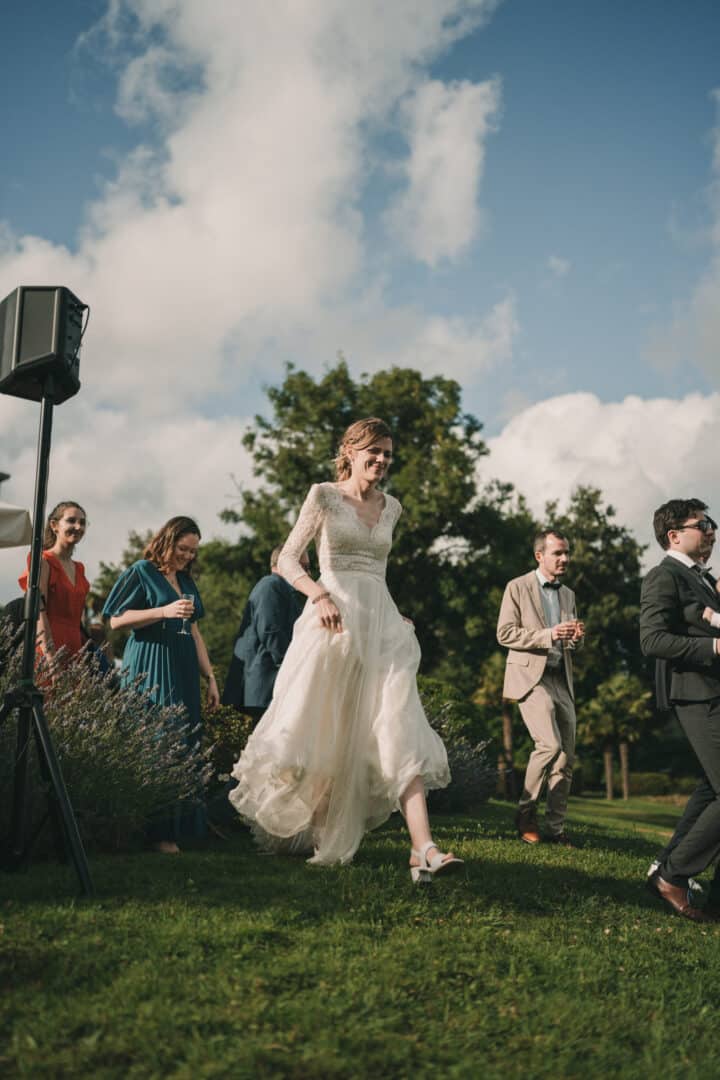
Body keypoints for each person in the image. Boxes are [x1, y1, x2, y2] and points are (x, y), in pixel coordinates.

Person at [228, 417, 461, 882]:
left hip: (383, 628)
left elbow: (378, 574)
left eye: (388, 454)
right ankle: (323, 832)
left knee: (398, 726)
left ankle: (425, 847)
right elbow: (290, 558)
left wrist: (394, 615)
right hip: (331, 624)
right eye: (372, 451)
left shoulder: (391, 506)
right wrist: (318, 595)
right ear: (349, 453)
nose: (381, 461)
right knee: (326, 732)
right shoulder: (324, 496)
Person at [103, 516, 219, 853]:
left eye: (193, 551)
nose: (188, 556)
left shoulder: (185, 580)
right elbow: (115, 619)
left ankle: (180, 828)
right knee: (159, 736)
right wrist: (163, 611)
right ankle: (156, 833)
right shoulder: (142, 571)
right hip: (151, 662)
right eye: (183, 548)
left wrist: (209, 677)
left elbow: (195, 631)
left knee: (184, 739)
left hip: (182, 664)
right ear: (166, 540)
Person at [640, 498, 720, 923]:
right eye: (703, 523)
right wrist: (713, 646)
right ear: (674, 535)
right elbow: (652, 641)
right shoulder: (663, 576)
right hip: (697, 695)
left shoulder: (699, 578)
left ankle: (673, 870)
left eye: (713, 523)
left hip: (714, 691)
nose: (711, 530)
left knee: (712, 788)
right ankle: (672, 876)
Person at [497, 529, 584, 845]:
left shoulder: (569, 594)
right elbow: (505, 633)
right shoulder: (517, 587)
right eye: (558, 553)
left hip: (562, 678)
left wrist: (574, 637)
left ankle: (556, 829)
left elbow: (569, 640)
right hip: (531, 677)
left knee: (565, 759)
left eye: (566, 553)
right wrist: (548, 634)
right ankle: (525, 811)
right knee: (549, 745)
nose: (565, 559)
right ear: (540, 556)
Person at [222, 546, 309, 718]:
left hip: (267, 685)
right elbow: (270, 631)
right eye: (304, 567)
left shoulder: (282, 589)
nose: (308, 574)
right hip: (263, 685)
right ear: (287, 564)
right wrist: (295, 666)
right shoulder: (271, 585)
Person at [18, 501, 90, 662]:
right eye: (71, 521)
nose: (78, 527)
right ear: (54, 525)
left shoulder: (79, 568)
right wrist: (50, 659)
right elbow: (38, 614)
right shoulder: (43, 561)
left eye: (82, 522)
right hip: (47, 648)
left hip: (75, 649)